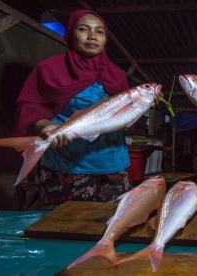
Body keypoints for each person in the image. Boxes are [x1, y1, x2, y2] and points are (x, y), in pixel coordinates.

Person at [14, 10, 161, 209]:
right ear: (70, 33)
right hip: (66, 165)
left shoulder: (116, 74)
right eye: (83, 29)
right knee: (64, 228)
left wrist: (142, 106)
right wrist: (46, 127)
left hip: (113, 165)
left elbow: (121, 120)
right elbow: (30, 105)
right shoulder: (49, 69)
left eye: (99, 32)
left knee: (109, 226)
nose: (92, 36)